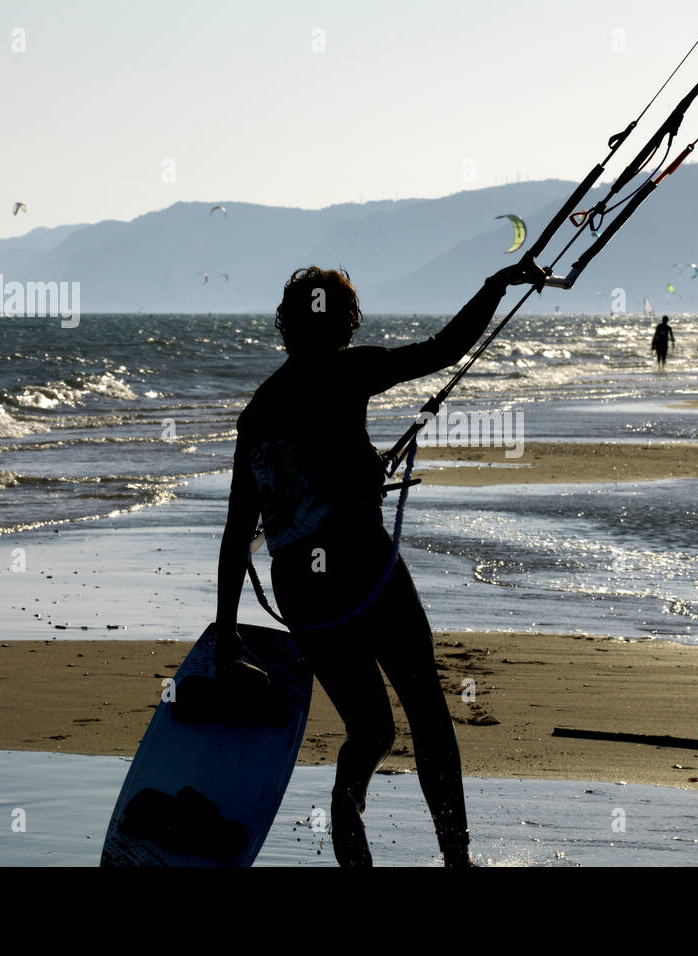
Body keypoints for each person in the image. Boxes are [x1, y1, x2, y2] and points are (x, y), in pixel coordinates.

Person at [216, 260, 543, 867]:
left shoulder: (256, 413)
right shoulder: (347, 370)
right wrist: (494, 285)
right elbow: (444, 348)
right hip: (364, 569)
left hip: (305, 593)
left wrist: (227, 638)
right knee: (425, 710)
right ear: (344, 325)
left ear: (287, 326)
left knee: (371, 731)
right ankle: (456, 858)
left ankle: (346, 805)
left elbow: (238, 534)